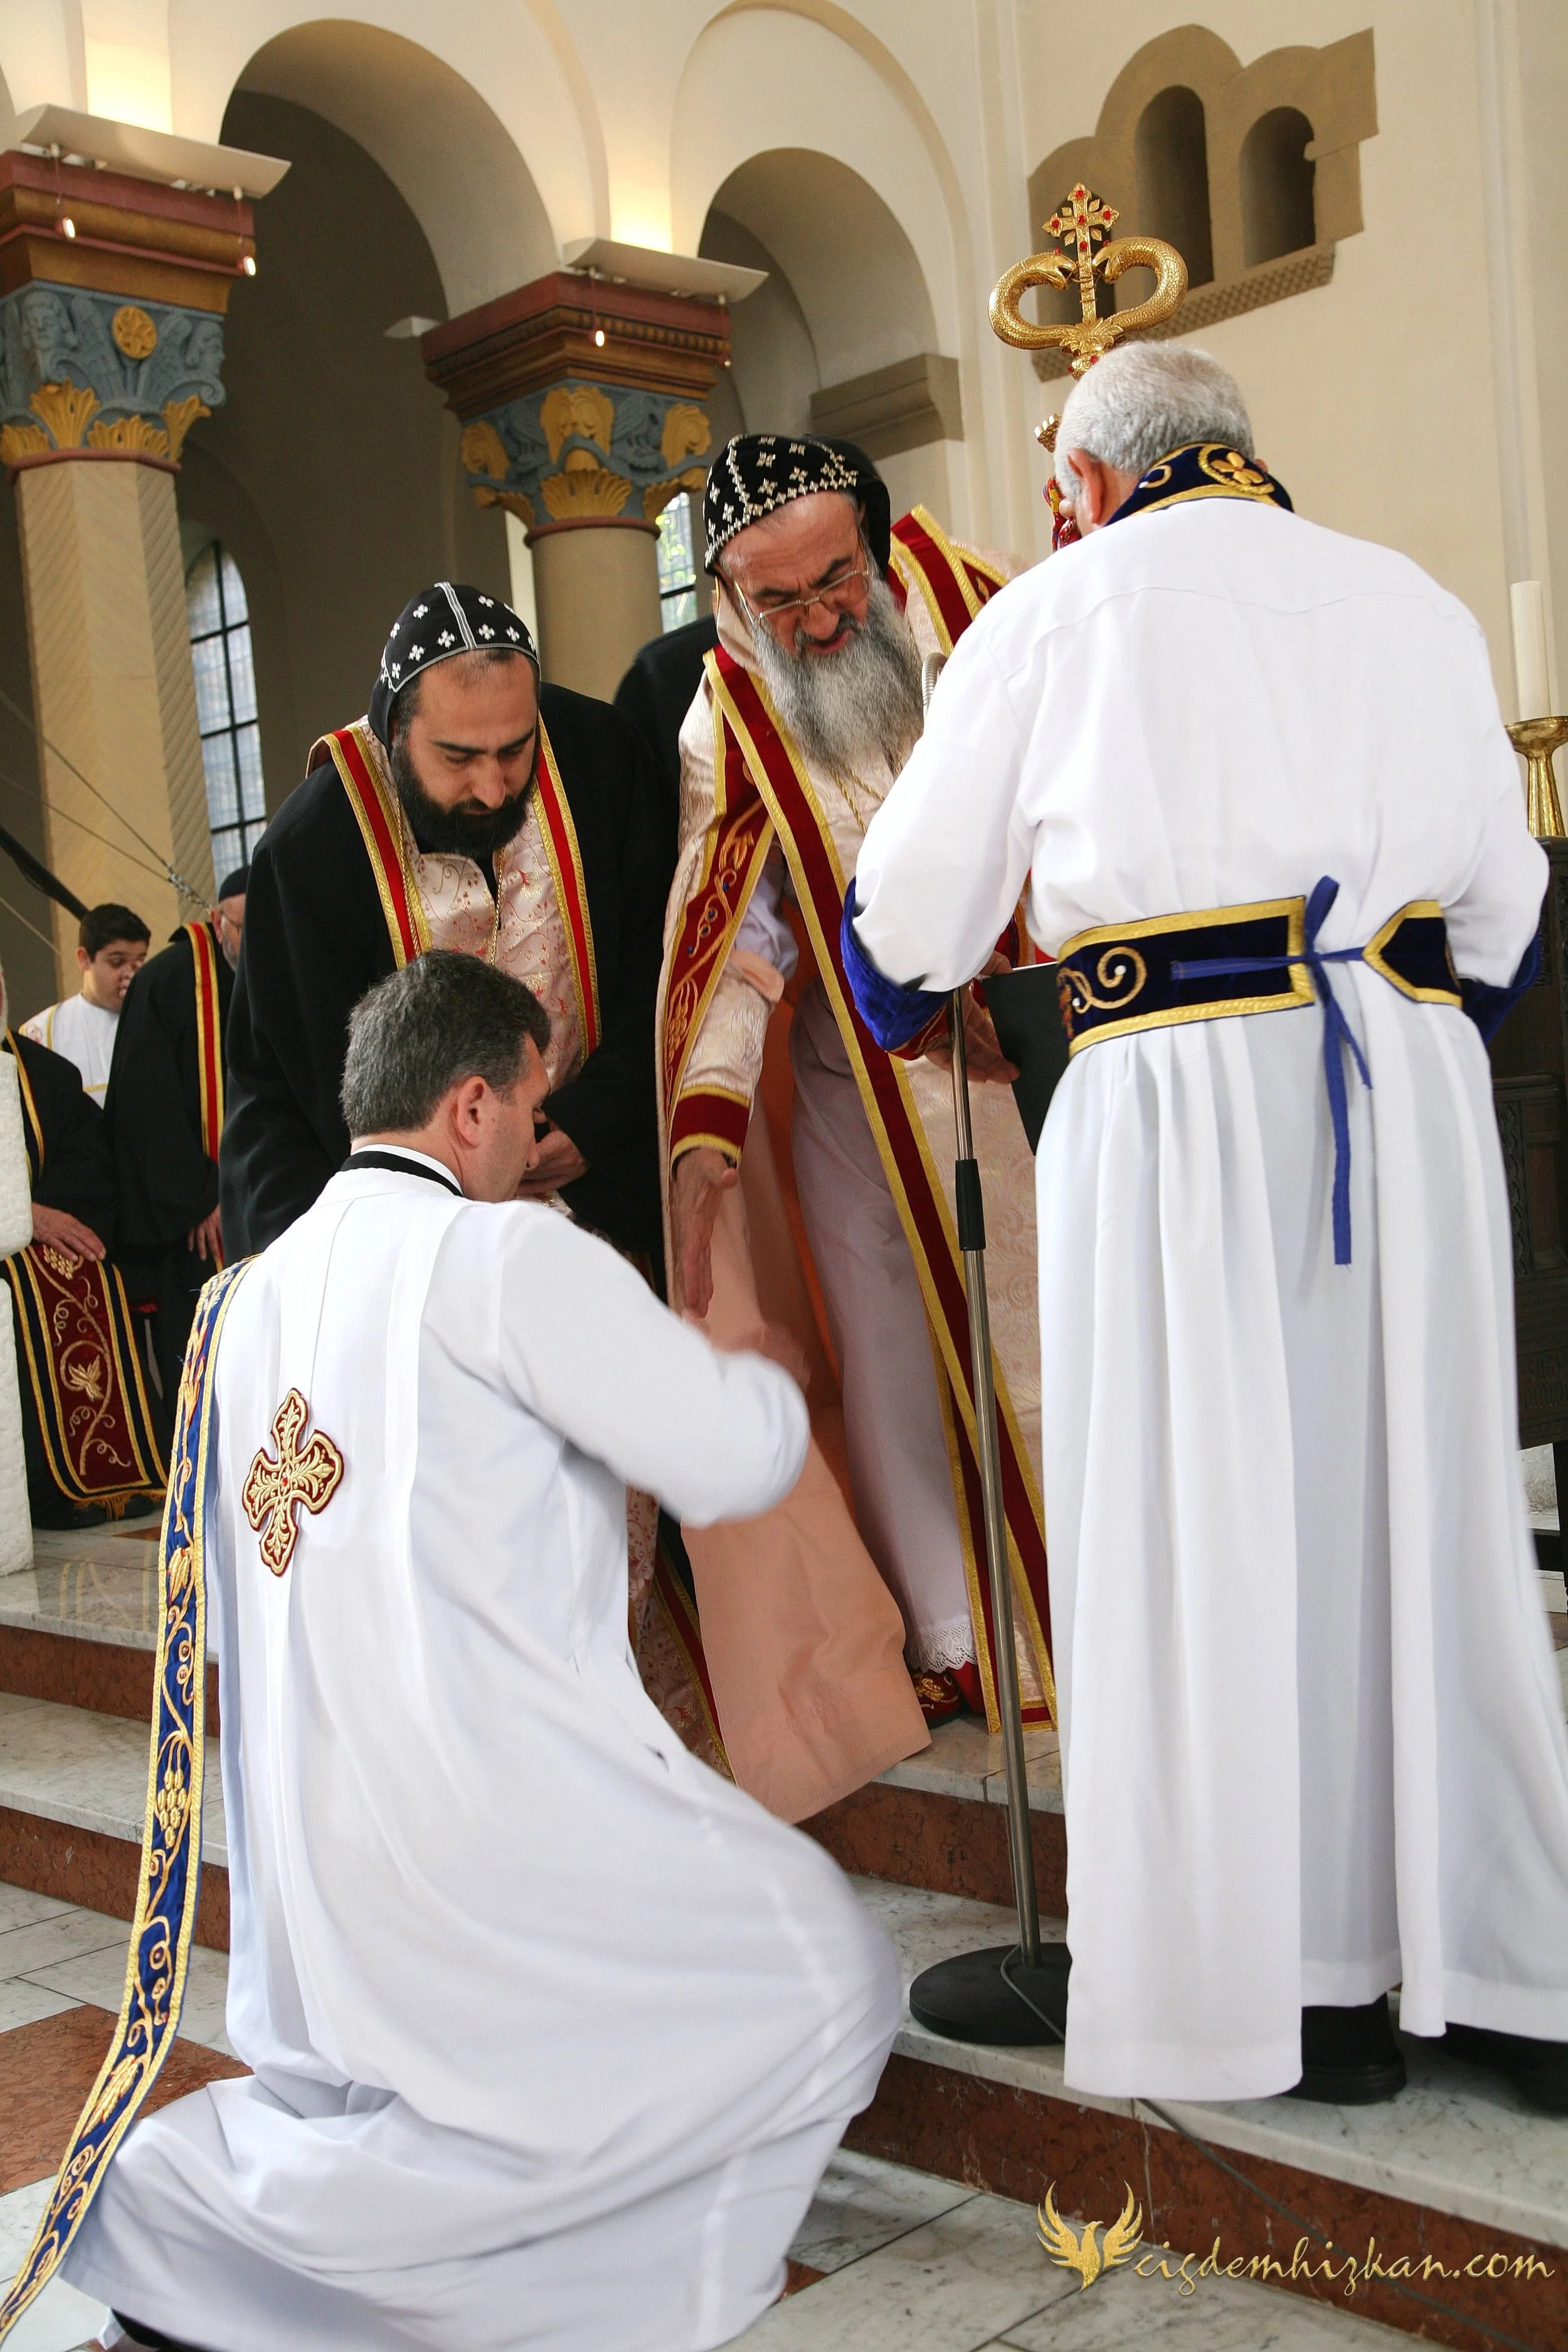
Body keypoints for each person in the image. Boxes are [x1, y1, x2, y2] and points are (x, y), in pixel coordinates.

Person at [844, 339, 1568, 2111]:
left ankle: (1272, 1992)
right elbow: (1512, 921)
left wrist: (897, 994)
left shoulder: (1055, 613)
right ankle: (1488, 1965)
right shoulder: (1410, 602)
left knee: (1194, 1523)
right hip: (1402, 1089)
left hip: (1172, 1098)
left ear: (1084, 482)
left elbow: (903, 928)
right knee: (1416, 1515)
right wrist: (1388, 1030)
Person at [50, 951, 899, 2352]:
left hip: (316, 1859)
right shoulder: (501, 1256)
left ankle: (219, 2248)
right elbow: (721, 1453)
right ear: (468, 1107)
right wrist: (774, 1379)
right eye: (530, 1107)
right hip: (491, 1811)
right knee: (823, 1982)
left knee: (405, 2086)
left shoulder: (242, 1303)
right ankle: (224, 2236)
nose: (537, 1142)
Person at [657, 432, 1052, 1747]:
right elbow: (737, 935)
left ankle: (1110, 1593)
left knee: (1066, 1328)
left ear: (875, 543)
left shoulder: (980, 605)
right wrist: (707, 1120)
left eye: (838, 579)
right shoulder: (724, 722)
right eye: (779, 601)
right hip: (864, 1086)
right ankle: (963, 1633)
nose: (823, 619)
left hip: (1033, 1047)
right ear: (728, 595)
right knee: (894, 1354)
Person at [221, 586, 668, 1268]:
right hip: (421, 1256)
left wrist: (595, 1124)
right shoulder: (311, 850)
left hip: (611, 1203)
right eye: (459, 758)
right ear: (395, 732)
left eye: (515, 750)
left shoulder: (600, 759)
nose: (493, 788)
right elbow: (277, 1101)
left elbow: (663, 970)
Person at [1, 969, 164, 1528]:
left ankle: (100, 1473)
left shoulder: (45, 1074)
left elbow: (88, 1168)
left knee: (84, 1273)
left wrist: (36, 1221)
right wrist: (22, 1215)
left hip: (28, 1255)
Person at [105, 872, 247, 1405]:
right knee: (204, 1374)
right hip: (196, 1226)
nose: (250, 941)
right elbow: (146, 1109)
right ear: (217, 921)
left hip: (265, 1203)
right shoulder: (168, 981)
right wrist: (202, 1196)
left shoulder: (281, 966)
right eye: (241, 928)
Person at [20, 902, 149, 1103]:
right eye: (117, 962)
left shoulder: (157, 1020)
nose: (130, 974)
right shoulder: (42, 1032)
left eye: (139, 963)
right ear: (84, 959)